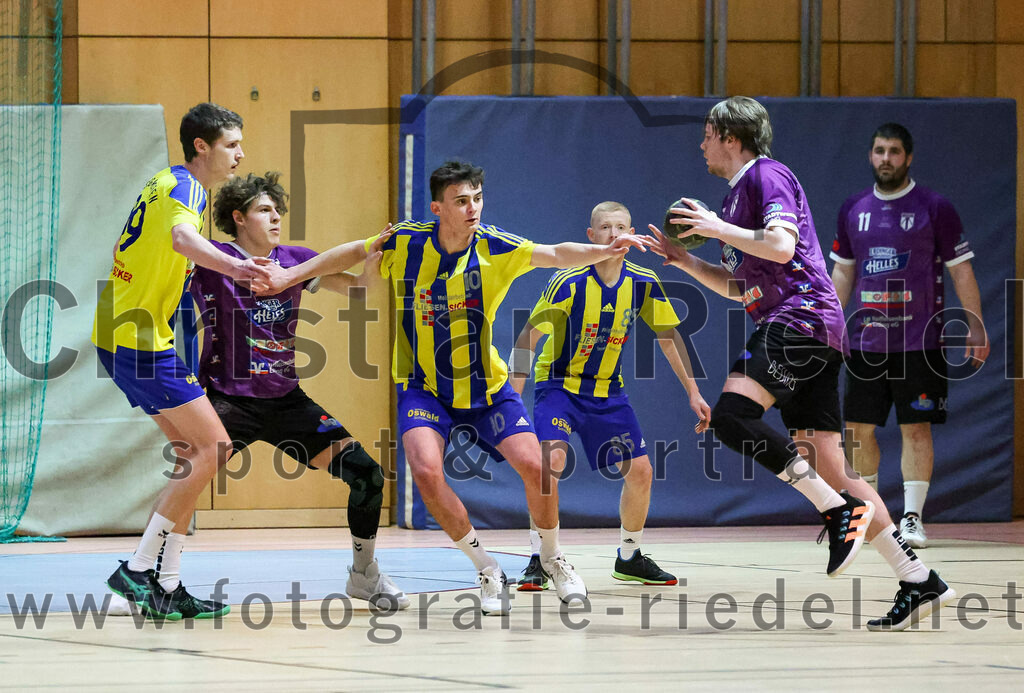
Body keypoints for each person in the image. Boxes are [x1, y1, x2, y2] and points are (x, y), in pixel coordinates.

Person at [269, 160, 647, 615]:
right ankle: (487, 568)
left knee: (540, 467)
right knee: (426, 473)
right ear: (438, 206)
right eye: (462, 201)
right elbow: (349, 252)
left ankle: (552, 558)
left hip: (487, 388)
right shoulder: (406, 241)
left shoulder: (495, 247)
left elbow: (556, 253)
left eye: (478, 198)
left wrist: (606, 251)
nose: (473, 209)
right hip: (424, 387)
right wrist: (289, 276)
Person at [644, 96, 955, 631]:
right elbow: (740, 286)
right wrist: (687, 260)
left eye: (706, 134)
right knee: (834, 469)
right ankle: (916, 577)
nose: (701, 144)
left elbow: (783, 248)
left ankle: (836, 512)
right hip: (797, 324)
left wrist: (717, 228)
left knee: (730, 417)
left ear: (730, 135)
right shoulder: (737, 197)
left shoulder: (767, 175)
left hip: (801, 321)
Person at [184, 170, 406, 610]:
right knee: (185, 483)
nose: (276, 218)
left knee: (367, 475)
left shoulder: (296, 261)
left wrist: (373, 258)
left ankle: (364, 575)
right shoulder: (213, 261)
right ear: (238, 217)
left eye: (277, 210)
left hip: (286, 400)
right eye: (264, 210)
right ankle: (151, 575)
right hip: (227, 400)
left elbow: (360, 289)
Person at [92, 103, 272, 620]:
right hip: (137, 339)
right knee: (215, 446)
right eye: (232, 144)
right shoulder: (187, 189)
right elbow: (180, 240)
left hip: (127, 332)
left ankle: (167, 583)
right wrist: (238, 267)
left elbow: (158, 247)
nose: (240, 153)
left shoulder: (164, 182)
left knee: (190, 452)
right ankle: (138, 568)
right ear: (202, 147)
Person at [508, 201, 711, 590]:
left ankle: (629, 556)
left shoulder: (642, 282)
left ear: (633, 235)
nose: (615, 235)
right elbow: (526, 342)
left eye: (621, 227)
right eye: (605, 228)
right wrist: (513, 404)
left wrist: (693, 391)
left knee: (642, 472)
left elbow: (669, 338)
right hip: (559, 386)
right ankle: (540, 556)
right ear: (592, 236)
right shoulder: (569, 281)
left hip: (607, 392)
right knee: (549, 464)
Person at [830, 122, 989, 549]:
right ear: (870, 155)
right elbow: (843, 272)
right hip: (865, 341)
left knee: (916, 428)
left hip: (921, 341)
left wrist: (974, 323)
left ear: (908, 157)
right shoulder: (853, 208)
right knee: (858, 429)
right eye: (879, 150)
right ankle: (868, 516)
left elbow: (961, 269)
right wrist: (828, 323)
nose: (886, 158)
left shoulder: (935, 207)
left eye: (894, 151)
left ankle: (913, 518)